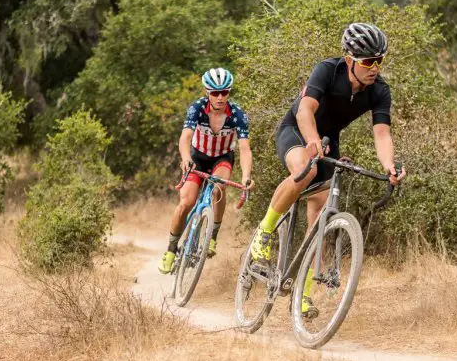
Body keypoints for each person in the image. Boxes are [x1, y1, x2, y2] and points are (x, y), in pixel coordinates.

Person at [249, 23, 406, 318]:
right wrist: (311, 142)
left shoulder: (379, 91)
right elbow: (305, 109)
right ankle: (264, 233)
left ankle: (303, 293)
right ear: (350, 60)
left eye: (380, 60)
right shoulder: (328, 70)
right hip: (297, 129)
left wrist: (389, 167)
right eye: (369, 61)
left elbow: (382, 134)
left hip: (328, 139)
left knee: (320, 218)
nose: (375, 67)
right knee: (305, 171)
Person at [158, 68, 254, 274]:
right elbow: (185, 137)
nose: (220, 97)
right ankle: (171, 250)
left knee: (219, 188)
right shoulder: (197, 109)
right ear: (206, 92)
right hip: (197, 158)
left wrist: (246, 176)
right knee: (186, 203)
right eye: (215, 93)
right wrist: (185, 158)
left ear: (229, 92)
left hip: (222, 158)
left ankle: (212, 236)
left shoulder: (238, 114)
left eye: (225, 92)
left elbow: (245, 148)